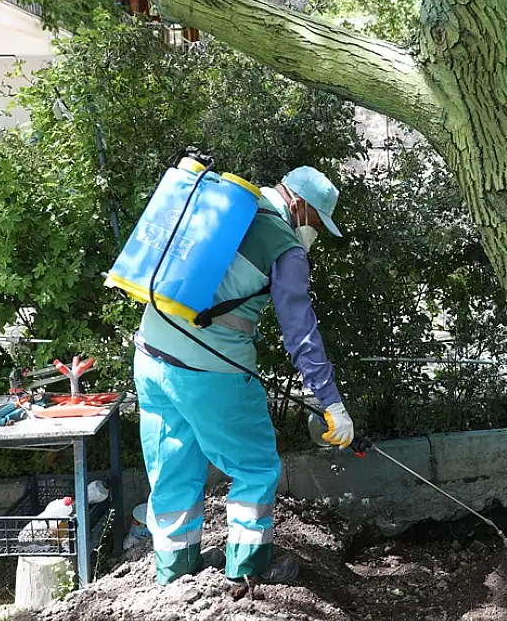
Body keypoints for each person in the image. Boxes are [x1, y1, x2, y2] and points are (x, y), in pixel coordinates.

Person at [132, 165, 355, 585]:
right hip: (211, 369)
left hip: (150, 354)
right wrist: (331, 402)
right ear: (300, 205)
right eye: (316, 223)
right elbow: (300, 331)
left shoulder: (223, 208)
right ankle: (248, 569)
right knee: (255, 466)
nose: (316, 233)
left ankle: (174, 571)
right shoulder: (284, 245)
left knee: (174, 467)